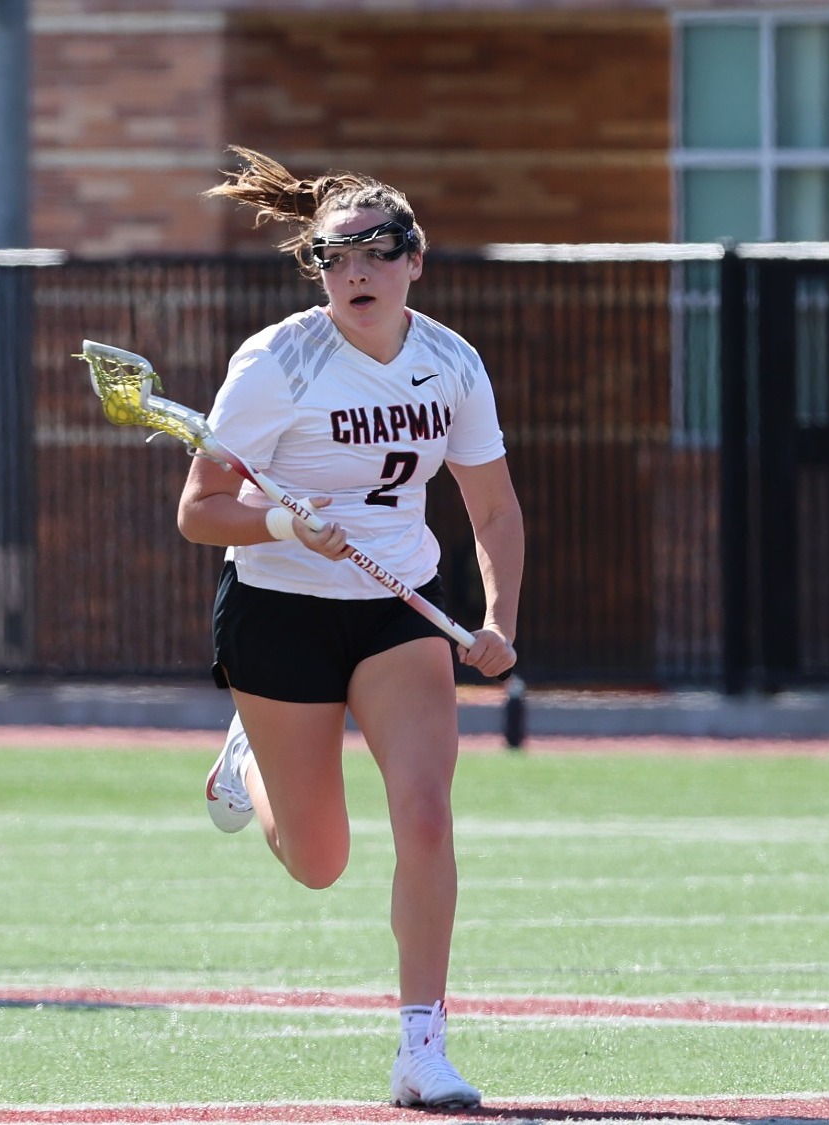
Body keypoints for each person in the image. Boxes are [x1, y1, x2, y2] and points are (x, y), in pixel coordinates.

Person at [185, 147, 523, 1109]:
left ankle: (423, 1046)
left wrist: (499, 618)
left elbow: (493, 510)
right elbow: (200, 509)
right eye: (336, 257)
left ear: (416, 259)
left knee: (424, 812)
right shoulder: (277, 361)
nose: (357, 272)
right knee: (319, 861)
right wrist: (284, 521)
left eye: (378, 251)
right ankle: (244, 759)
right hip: (278, 610)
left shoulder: (450, 363)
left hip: (399, 607)